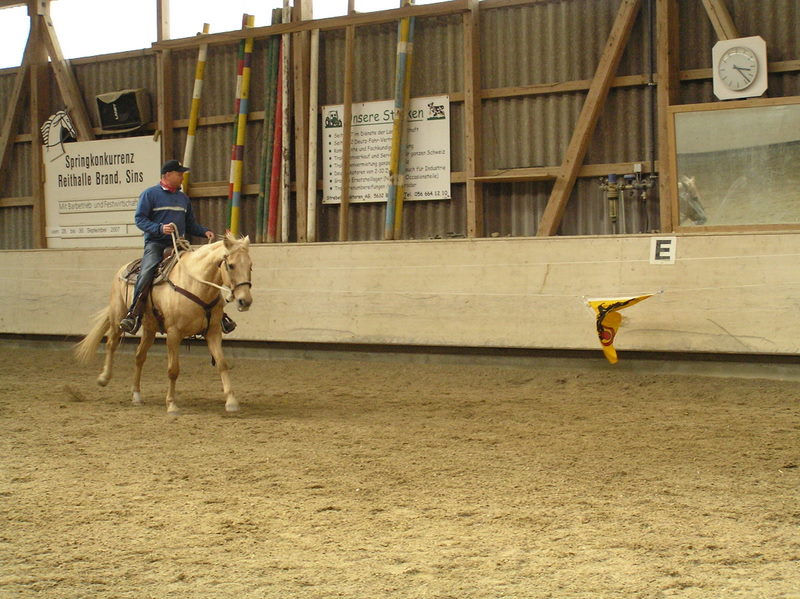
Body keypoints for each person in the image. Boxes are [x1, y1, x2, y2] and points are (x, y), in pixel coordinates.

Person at [119, 159, 235, 335]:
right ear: (167, 175)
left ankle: (219, 314)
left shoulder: (183, 198)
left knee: (203, 271)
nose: (182, 177)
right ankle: (134, 313)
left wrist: (204, 231)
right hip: (156, 244)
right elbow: (140, 219)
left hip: (179, 245)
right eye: (179, 173)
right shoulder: (149, 194)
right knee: (148, 270)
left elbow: (190, 224)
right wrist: (159, 228)